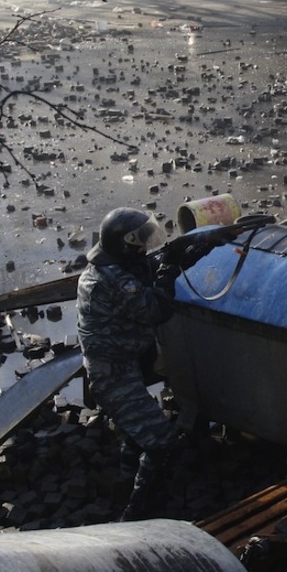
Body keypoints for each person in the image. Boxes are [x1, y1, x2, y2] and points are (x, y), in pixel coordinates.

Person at [76, 207, 191, 521]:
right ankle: (137, 514)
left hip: (119, 367)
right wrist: (169, 271)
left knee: (132, 434)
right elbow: (156, 309)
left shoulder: (108, 266)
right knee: (162, 444)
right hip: (113, 375)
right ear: (122, 244)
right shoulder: (113, 280)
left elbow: (144, 266)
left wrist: (181, 254)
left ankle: (124, 485)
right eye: (138, 242)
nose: (144, 247)